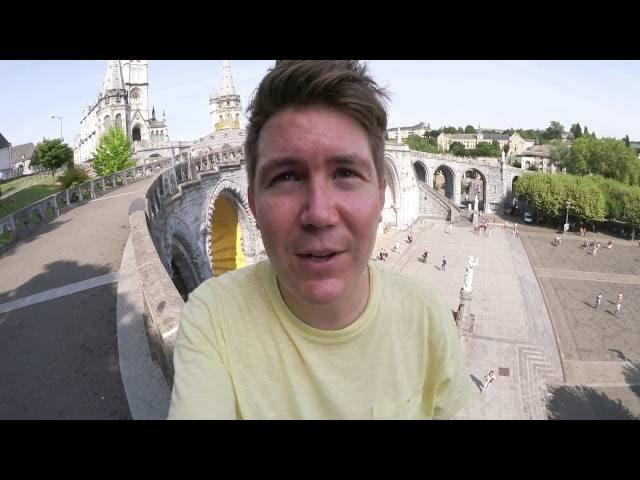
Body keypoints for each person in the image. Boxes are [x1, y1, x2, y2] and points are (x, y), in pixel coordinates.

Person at [168, 60, 471, 420]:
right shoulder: (209, 319)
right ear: (254, 205)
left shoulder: (429, 316)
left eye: (345, 172)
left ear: (380, 195)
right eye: (287, 177)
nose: (319, 213)